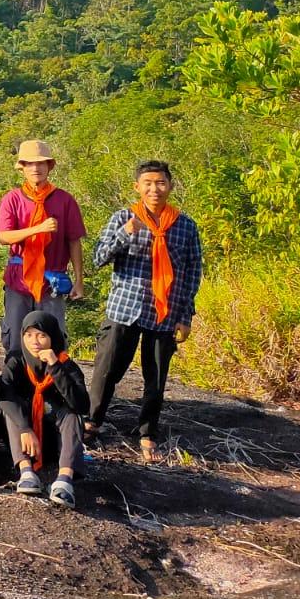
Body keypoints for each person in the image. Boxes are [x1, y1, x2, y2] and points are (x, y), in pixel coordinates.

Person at [87, 160, 204, 462]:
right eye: (148, 183)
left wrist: (185, 315)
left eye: (161, 182)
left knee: (156, 379)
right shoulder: (123, 217)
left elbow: (192, 271)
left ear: (171, 186)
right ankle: (92, 422)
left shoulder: (185, 226)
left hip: (165, 312)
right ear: (137, 187)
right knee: (106, 371)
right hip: (124, 308)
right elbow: (98, 258)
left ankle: (148, 433)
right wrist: (125, 233)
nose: (155, 189)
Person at [0, 141, 86, 357]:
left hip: (51, 280)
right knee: (17, 340)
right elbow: (4, 237)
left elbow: (74, 241)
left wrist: (79, 281)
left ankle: (53, 387)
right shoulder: (12, 199)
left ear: (49, 166)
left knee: (52, 339)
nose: (36, 168)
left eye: (41, 163)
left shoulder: (64, 200)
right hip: (19, 278)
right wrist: (38, 229)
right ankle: (15, 389)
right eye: (30, 164)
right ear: (22, 168)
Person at [0, 310, 88, 508]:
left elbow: (82, 404)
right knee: (11, 409)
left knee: (71, 415)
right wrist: (24, 428)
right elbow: (2, 393)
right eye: (28, 335)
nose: (34, 341)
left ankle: (64, 480)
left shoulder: (66, 365)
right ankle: (26, 471)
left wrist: (55, 367)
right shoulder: (16, 361)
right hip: (25, 440)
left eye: (42, 335)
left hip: (55, 441)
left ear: (52, 337)